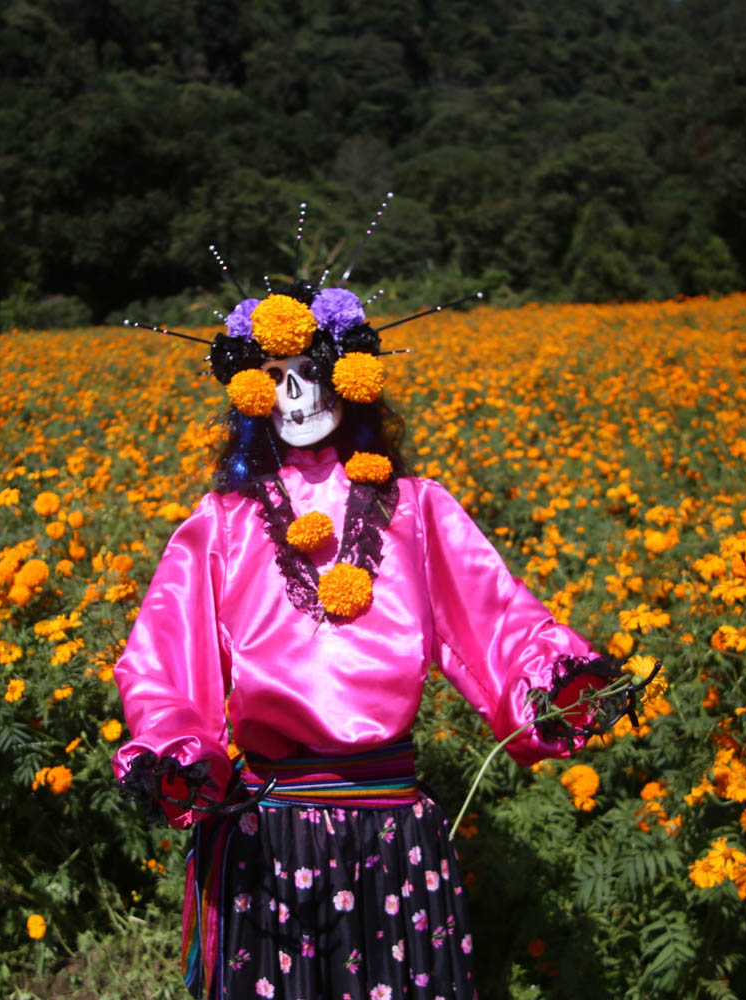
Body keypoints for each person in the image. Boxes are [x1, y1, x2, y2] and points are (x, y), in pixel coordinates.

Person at [112, 269, 631, 999]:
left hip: (393, 833)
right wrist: (178, 749)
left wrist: (551, 679)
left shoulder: (418, 509)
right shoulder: (220, 523)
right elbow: (162, 661)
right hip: (271, 833)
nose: (294, 392)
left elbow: (497, 619)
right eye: (274, 375)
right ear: (249, 390)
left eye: (310, 371)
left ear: (351, 377)